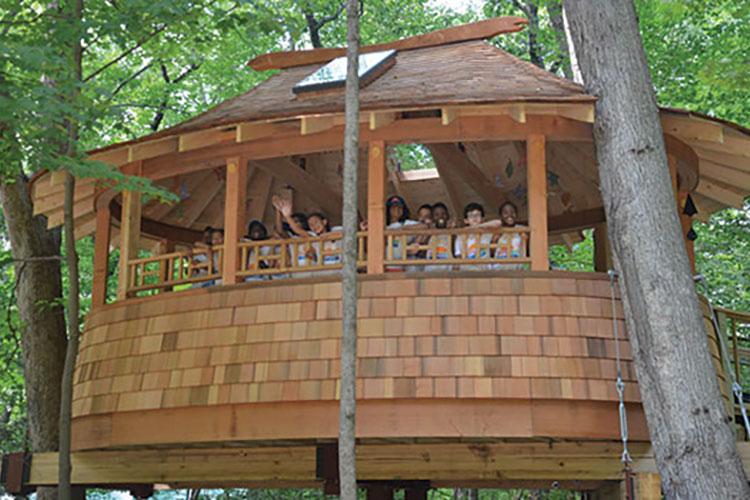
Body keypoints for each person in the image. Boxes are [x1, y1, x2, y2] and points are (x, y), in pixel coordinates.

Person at [384, 195, 423, 271]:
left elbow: (424, 226)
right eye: (393, 207)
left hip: (402, 267)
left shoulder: (406, 223)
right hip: (385, 266)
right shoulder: (383, 226)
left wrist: (401, 229)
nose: (397, 210)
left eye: (400, 207)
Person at [454, 202, 493, 271]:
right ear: (466, 220)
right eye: (471, 215)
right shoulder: (460, 237)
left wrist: (477, 227)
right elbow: (458, 256)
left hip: (484, 268)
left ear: (482, 218)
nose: (474, 218)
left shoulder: (487, 234)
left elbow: (498, 222)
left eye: (477, 215)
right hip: (467, 270)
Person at [493, 201, 527, 269]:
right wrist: (495, 238)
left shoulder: (521, 229)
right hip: (499, 268)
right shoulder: (497, 231)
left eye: (513, 212)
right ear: (500, 216)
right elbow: (491, 251)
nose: (510, 215)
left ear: (517, 214)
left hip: (517, 268)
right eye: (505, 213)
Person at [424, 202, 453, 272]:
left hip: (447, 266)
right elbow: (424, 246)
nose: (441, 217)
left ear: (448, 216)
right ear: (432, 218)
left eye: (443, 214)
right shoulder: (429, 231)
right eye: (436, 215)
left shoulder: (452, 231)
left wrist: (451, 230)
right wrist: (430, 230)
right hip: (431, 266)